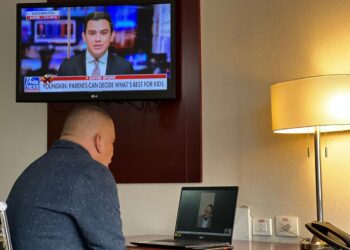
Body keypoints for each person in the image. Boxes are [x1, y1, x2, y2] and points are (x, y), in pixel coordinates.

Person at [6, 105, 125, 250]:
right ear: (99, 142)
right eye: (112, 142)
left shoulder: (32, 171)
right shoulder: (91, 172)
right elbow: (111, 247)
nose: (113, 153)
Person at [57, 12, 133, 76]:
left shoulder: (125, 68)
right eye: (92, 33)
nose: (98, 39)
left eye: (103, 33)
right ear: (84, 37)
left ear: (112, 36)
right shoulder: (67, 67)